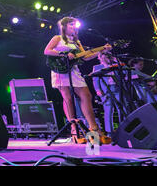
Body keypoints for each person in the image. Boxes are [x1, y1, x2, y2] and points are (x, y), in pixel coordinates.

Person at [44, 16, 112, 144]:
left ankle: (94, 129)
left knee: (86, 95)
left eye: (75, 25)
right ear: (64, 27)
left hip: (74, 71)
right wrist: (63, 54)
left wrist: (101, 50)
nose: (74, 27)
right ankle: (74, 131)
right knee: (68, 99)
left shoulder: (77, 42)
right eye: (71, 25)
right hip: (61, 71)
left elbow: (85, 57)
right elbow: (47, 51)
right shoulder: (57, 38)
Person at [92, 52, 122, 136]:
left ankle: (123, 128)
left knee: (121, 109)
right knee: (109, 110)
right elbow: (95, 80)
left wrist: (117, 61)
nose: (107, 58)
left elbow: (124, 72)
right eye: (104, 56)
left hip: (116, 88)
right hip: (106, 90)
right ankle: (110, 132)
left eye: (108, 56)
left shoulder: (115, 65)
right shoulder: (97, 67)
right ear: (100, 57)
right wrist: (98, 90)